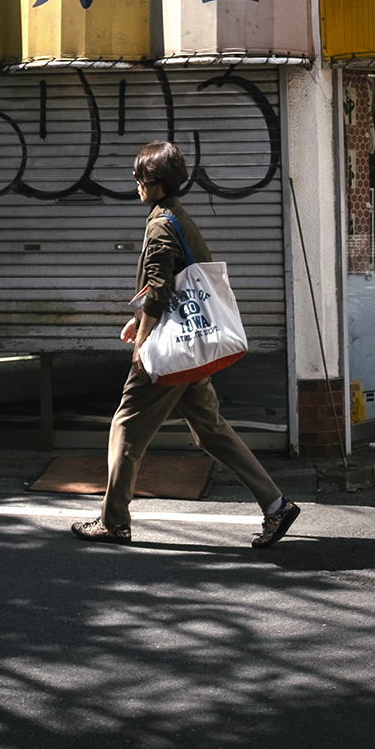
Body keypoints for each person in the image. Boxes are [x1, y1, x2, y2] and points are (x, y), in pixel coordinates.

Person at [72, 141, 300, 549]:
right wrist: (137, 317)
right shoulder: (178, 216)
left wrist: (142, 344)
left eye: (142, 177)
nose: (136, 183)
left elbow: (160, 290)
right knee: (210, 430)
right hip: (188, 342)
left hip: (171, 348)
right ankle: (276, 504)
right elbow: (173, 285)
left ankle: (114, 521)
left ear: (157, 184)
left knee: (126, 426)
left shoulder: (160, 222)